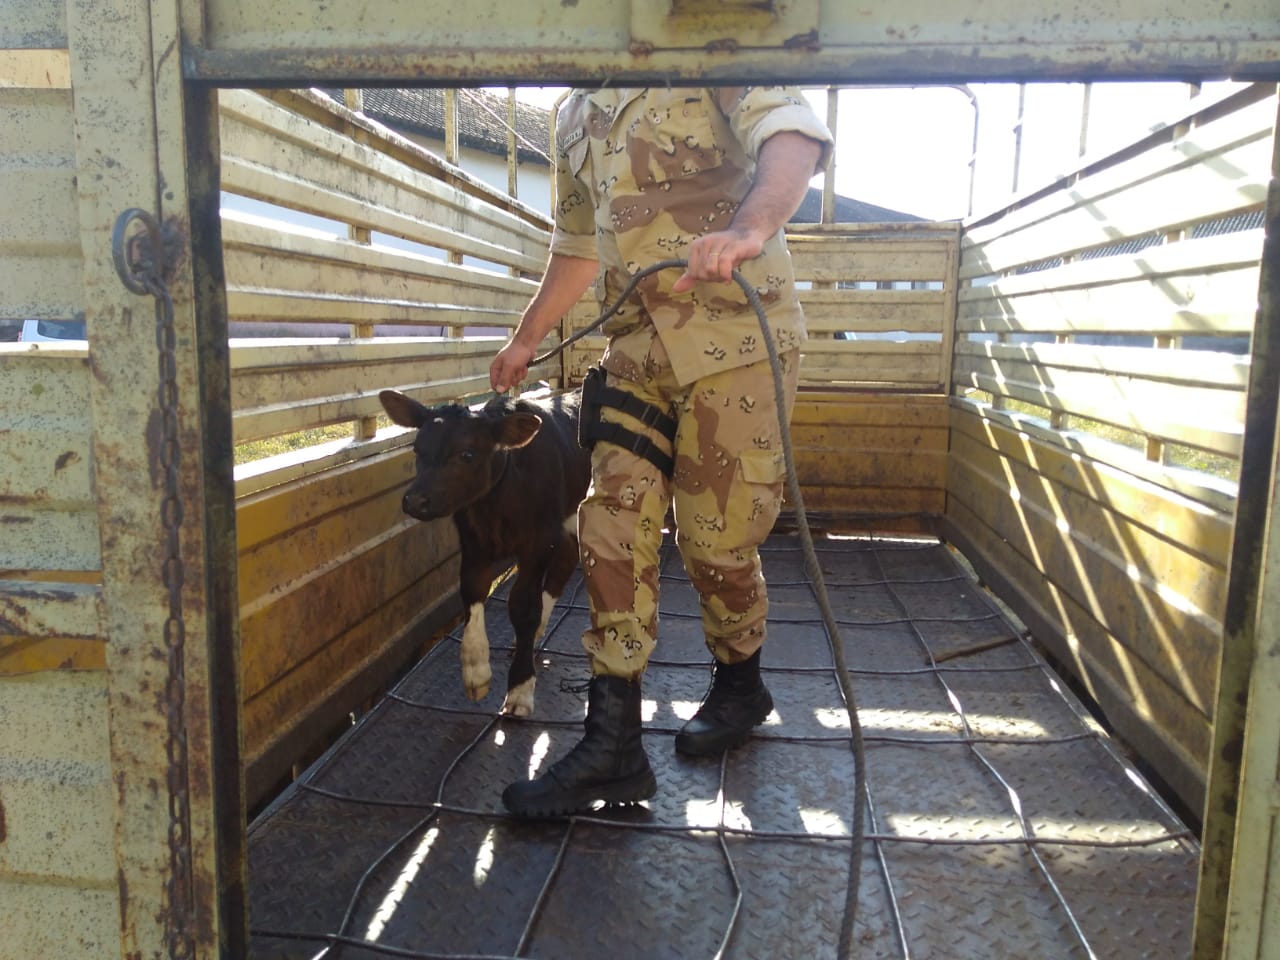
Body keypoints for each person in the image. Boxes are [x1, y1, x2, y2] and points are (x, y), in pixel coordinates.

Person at [489, 86, 833, 817]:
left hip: (736, 336)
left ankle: (740, 684)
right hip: (636, 352)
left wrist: (749, 228)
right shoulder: (572, 114)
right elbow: (577, 245)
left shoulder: (701, 43)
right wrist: (525, 338)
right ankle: (613, 744)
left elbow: (791, 134)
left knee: (716, 541)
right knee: (609, 524)